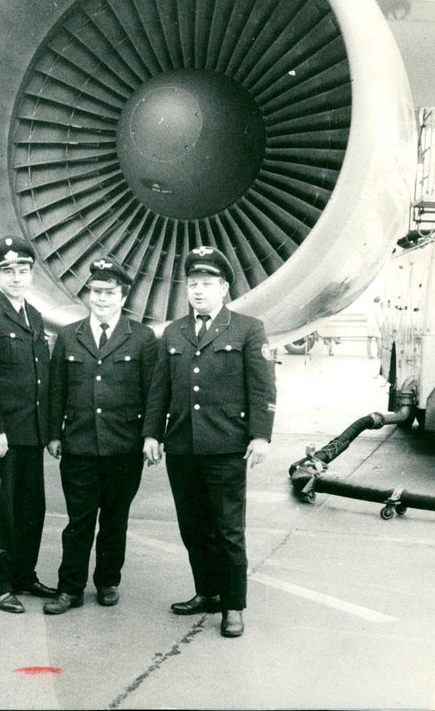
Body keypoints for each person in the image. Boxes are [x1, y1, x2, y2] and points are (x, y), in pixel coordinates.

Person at [142, 246, 276, 638]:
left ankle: (233, 606)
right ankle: (207, 592)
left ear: (223, 288)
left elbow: (262, 386)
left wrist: (261, 436)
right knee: (193, 528)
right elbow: (159, 390)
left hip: (226, 447)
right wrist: (152, 432)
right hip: (182, 447)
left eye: (207, 284)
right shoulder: (173, 331)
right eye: (194, 284)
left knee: (228, 529)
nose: (199, 291)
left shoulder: (247, 329)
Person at [44, 257, 157, 615]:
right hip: (79, 444)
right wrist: (53, 433)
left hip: (124, 447)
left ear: (123, 297)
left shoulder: (140, 337)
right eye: (96, 291)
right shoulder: (68, 335)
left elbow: (153, 393)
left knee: (114, 518)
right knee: (78, 521)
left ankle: (108, 582)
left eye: (109, 293)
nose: (102, 299)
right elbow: (56, 389)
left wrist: (150, 436)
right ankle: (70, 588)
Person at [0, 236, 57, 613]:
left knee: (32, 508)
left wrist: (50, 432)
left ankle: (24, 575)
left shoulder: (32, 315)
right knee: (0, 512)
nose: (16, 277)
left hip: (31, 432)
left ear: (31, 273)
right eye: (8, 271)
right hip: (3, 434)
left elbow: (42, 378)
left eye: (22, 270)